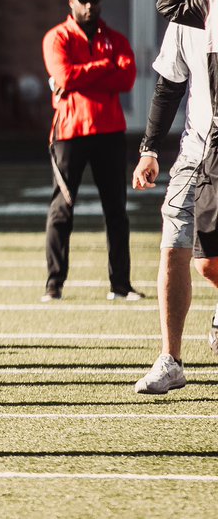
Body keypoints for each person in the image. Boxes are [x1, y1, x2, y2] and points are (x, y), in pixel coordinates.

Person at [131, 21, 218, 393]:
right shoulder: (187, 15)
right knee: (172, 246)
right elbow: (169, 85)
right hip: (194, 152)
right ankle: (171, 359)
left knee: (208, 262)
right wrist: (149, 149)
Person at [41, 0, 138, 302]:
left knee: (116, 210)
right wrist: (103, 68)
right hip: (70, 132)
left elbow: (126, 78)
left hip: (109, 130)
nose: (89, 5)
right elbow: (64, 76)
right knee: (62, 208)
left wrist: (83, 75)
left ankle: (120, 285)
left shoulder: (116, 38)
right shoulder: (57, 37)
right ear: (71, 2)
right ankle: (54, 284)